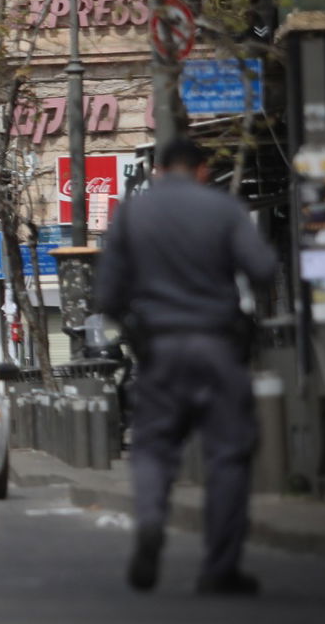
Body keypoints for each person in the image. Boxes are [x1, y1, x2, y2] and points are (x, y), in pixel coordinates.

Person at [95, 137, 278, 596]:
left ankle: (153, 522)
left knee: (154, 447)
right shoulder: (223, 209)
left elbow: (107, 296)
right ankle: (220, 568)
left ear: (157, 170)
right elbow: (263, 268)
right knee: (228, 455)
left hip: (158, 350)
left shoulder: (132, 214)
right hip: (218, 346)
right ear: (201, 169)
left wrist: (137, 326)